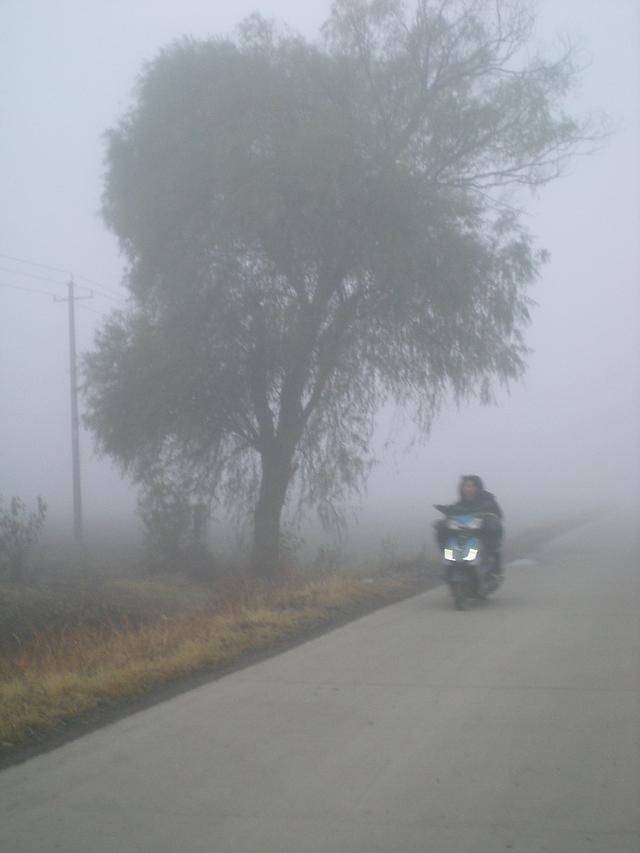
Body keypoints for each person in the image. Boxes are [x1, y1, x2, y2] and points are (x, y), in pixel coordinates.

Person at [435, 475, 504, 574]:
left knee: (491, 528)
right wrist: (445, 512)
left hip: (481, 532)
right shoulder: (460, 503)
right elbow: (454, 510)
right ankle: (449, 561)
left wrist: (488, 517)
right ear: (462, 488)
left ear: (478, 487)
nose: (468, 488)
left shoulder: (488, 500)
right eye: (466, 486)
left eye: (472, 486)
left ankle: (490, 560)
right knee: (441, 528)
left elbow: (498, 515)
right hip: (464, 531)